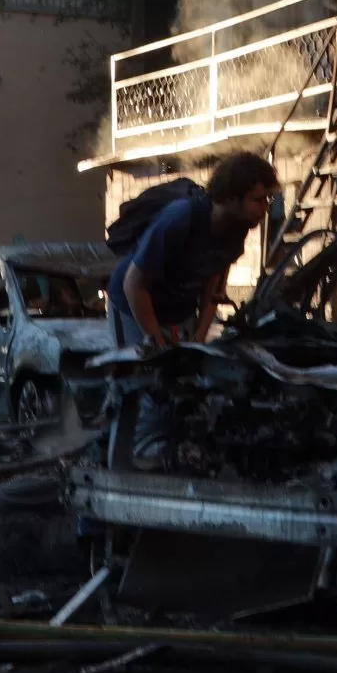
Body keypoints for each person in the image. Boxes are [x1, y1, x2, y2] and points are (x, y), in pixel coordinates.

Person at [107, 151, 281, 465]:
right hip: (132, 305)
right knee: (146, 382)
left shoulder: (237, 229)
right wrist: (155, 340)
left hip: (179, 309)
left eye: (268, 199)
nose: (265, 208)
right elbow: (134, 284)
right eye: (258, 200)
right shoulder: (180, 218)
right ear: (231, 197)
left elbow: (213, 285)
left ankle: (173, 454)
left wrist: (200, 336)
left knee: (182, 383)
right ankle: (136, 459)